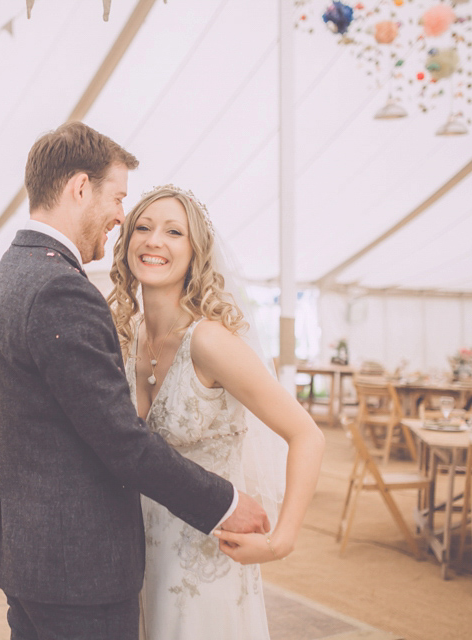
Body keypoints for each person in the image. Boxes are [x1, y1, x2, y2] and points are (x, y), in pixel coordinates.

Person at [0, 122, 270, 640]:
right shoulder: (62, 290)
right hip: (78, 573)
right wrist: (224, 502)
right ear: (80, 187)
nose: (120, 216)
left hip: (34, 561)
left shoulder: (8, 274)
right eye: (117, 199)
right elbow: (120, 441)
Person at [106, 184, 326, 639]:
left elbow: (308, 435)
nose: (153, 241)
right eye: (142, 228)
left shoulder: (209, 342)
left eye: (173, 232)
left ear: (196, 253)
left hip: (206, 561)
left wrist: (280, 541)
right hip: (139, 560)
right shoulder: (126, 339)